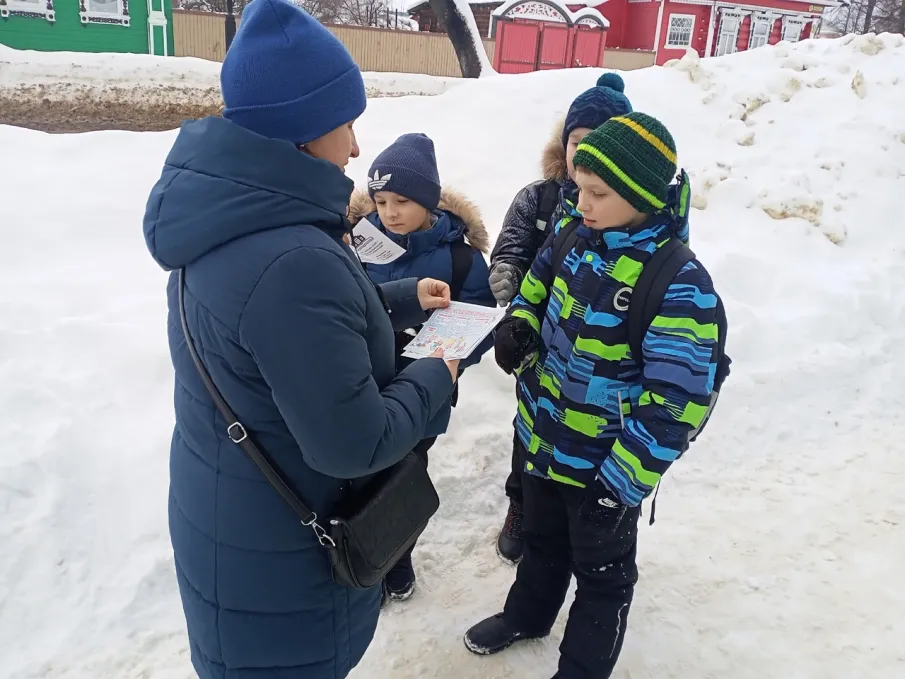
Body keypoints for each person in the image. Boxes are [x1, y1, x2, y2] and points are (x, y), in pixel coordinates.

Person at [141, 1, 459, 677]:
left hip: (237, 527)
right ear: (301, 131)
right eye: (345, 123)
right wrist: (437, 364)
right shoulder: (289, 259)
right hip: (285, 563)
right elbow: (354, 440)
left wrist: (400, 297)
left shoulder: (227, 214)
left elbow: (278, 331)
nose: (353, 147)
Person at [465, 113, 726, 679]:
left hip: (605, 467)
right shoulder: (570, 235)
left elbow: (674, 405)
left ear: (639, 195)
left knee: (602, 579)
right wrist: (521, 325)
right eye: (579, 188)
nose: (580, 202)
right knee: (540, 543)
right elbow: (534, 287)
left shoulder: (676, 280)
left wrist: (619, 485)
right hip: (543, 437)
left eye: (597, 193)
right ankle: (528, 615)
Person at [487, 73, 633, 565]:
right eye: (577, 142)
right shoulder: (542, 197)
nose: (584, 155)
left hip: (597, 358)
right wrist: (507, 273)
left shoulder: (636, 214)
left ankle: (575, 519)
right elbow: (513, 244)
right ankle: (521, 506)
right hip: (538, 343)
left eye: (600, 143)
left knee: (585, 441)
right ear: (564, 142)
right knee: (527, 430)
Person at [348, 132, 496, 601]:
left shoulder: (461, 258)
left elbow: (480, 321)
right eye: (381, 199)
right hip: (364, 383)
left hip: (424, 389)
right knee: (359, 473)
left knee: (405, 473)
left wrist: (448, 353)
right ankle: (360, 554)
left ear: (429, 201)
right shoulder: (357, 243)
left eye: (403, 201)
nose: (389, 212)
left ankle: (398, 554)